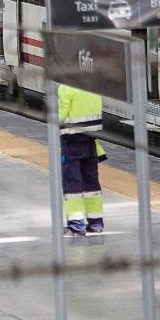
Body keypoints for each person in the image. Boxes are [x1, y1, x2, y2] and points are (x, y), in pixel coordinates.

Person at [58, 83, 106, 235]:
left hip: (71, 140)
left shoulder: (66, 87)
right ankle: (96, 222)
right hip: (91, 140)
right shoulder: (94, 87)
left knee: (72, 181)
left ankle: (76, 223)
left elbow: (62, 115)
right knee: (91, 180)